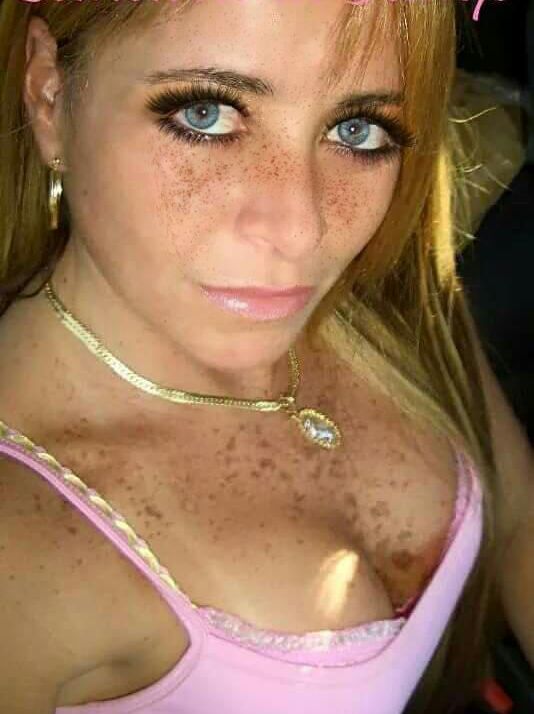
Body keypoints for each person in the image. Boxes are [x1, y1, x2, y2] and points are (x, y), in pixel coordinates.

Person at [0, 1, 532, 713]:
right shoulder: (23, 541)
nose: (301, 228)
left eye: (356, 128)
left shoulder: (388, 300)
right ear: (48, 92)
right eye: (206, 115)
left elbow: (518, 519)